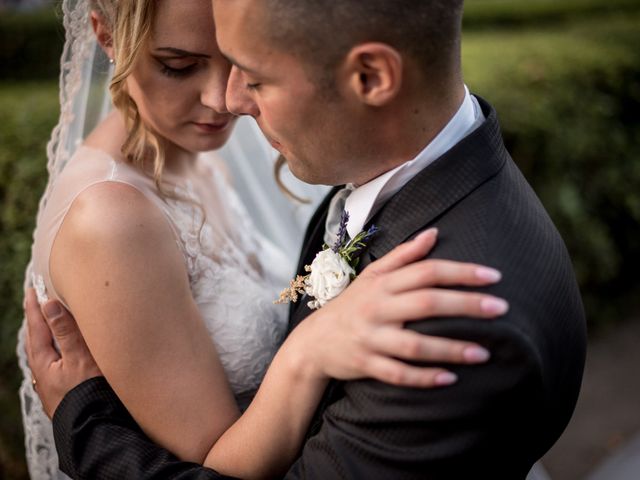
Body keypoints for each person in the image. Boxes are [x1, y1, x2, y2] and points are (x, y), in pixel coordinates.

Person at [26, 0, 588, 478]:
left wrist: (84, 422)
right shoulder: (398, 175)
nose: (229, 100)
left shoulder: (448, 327)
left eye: (252, 72)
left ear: (370, 78)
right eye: (182, 63)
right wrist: (305, 350)